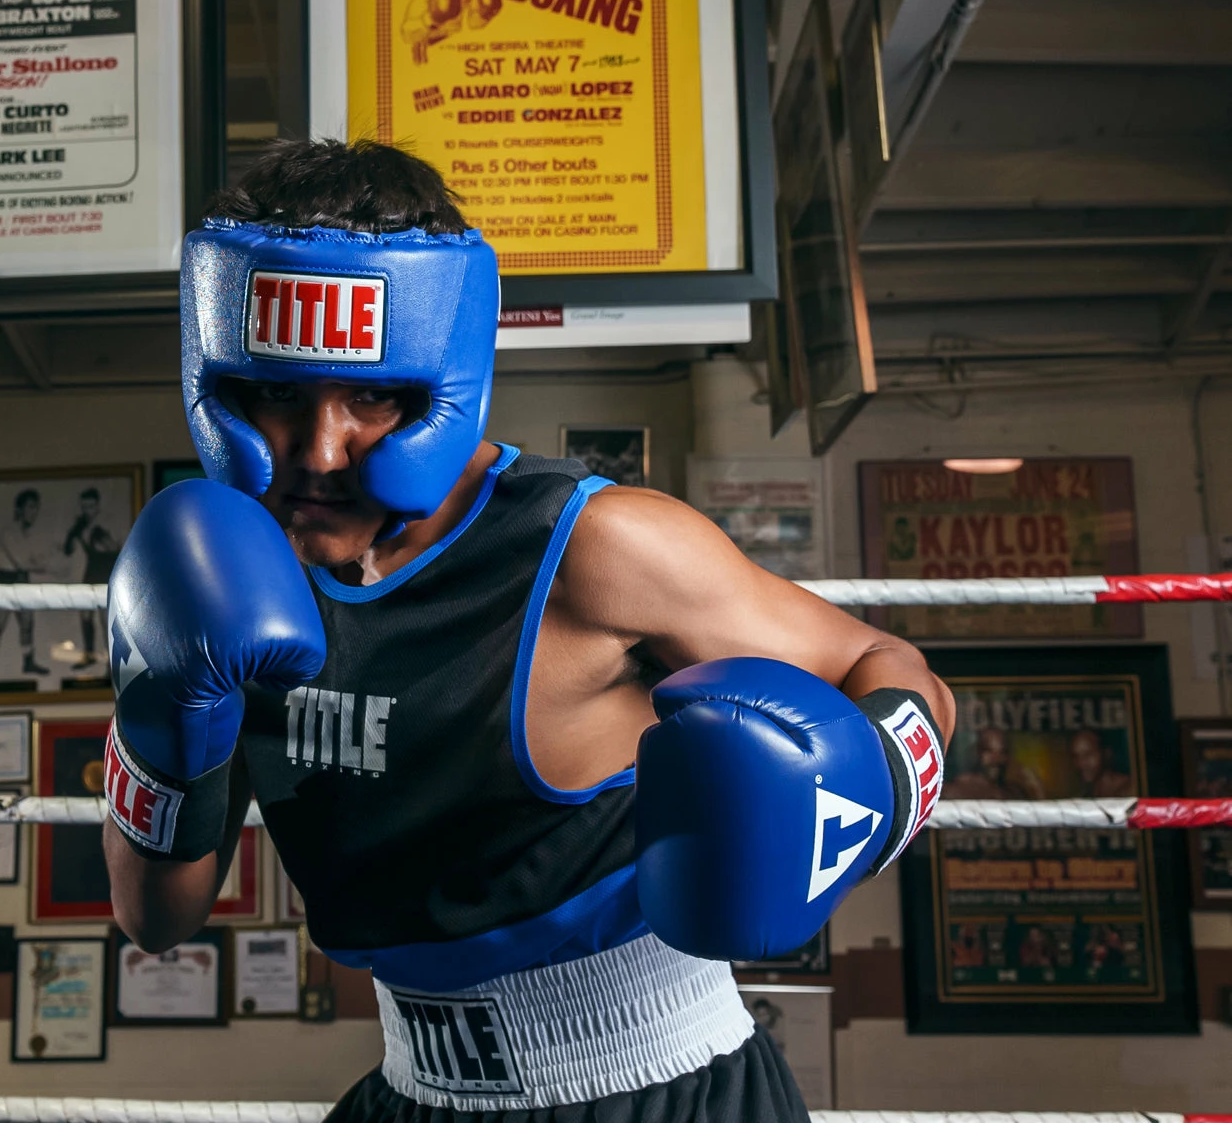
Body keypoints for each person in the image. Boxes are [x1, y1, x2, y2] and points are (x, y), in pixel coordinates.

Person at [102, 140, 954, 1123]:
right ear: (220, 383)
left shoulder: (597, 549)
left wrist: (851, 802)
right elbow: (153, 918)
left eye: (372, 396)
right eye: (279, 394)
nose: (320, 448)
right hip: (416, 1093)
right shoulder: (204, 577)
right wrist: (164, 722)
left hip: (658, 1092)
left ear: (444, 380)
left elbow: (899, 675)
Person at [0, 489, 53, 683]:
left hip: (22, 579)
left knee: (28, 623)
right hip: (6, 580)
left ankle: (28, 661)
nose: (34, 512)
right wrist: (47, 567)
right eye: (31, 507)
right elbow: (22, 561)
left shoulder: (27, 533)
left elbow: (31, 559)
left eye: (36, 508)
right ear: (20, 509)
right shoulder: (9, 531)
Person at [64, 488, 122, 669]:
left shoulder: (105, 523)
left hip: (106, 572)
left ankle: (110, 664)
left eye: (90, 506)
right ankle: (89, 655)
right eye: (84, 506)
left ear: (97, 506)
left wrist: (101, 537)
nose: (87, 510)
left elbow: (115, 549)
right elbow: (68, 550)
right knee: (85, 615)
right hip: (91, 572)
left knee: (106, 619)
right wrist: (74, 533)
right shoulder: (82, 526)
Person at [1069, 729, 1133, 797]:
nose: (1081, 763)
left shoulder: (1131, 789)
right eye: (1076, 756)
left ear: (1106, 754)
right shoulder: (1086, 795)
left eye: (1088, 754)